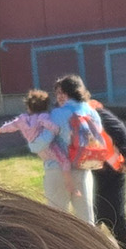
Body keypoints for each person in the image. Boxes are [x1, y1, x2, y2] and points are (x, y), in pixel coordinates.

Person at [41, 74, 105, 227]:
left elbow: (43, 142)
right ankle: (89, 243)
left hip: (57, 170)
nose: (59, 96)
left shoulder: (56, 114)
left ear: (68, 92)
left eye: (61, 92)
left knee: (57, 221)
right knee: (87, 219)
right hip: (83, 168)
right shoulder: (92, 112)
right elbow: (99, 138)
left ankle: (60, 244)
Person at [90, 100, 126, 249]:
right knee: (94, 216)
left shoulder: (101, 117)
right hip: (97, 174)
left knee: (115, 217)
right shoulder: (86, 118)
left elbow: (120, 134)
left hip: (112, 174)